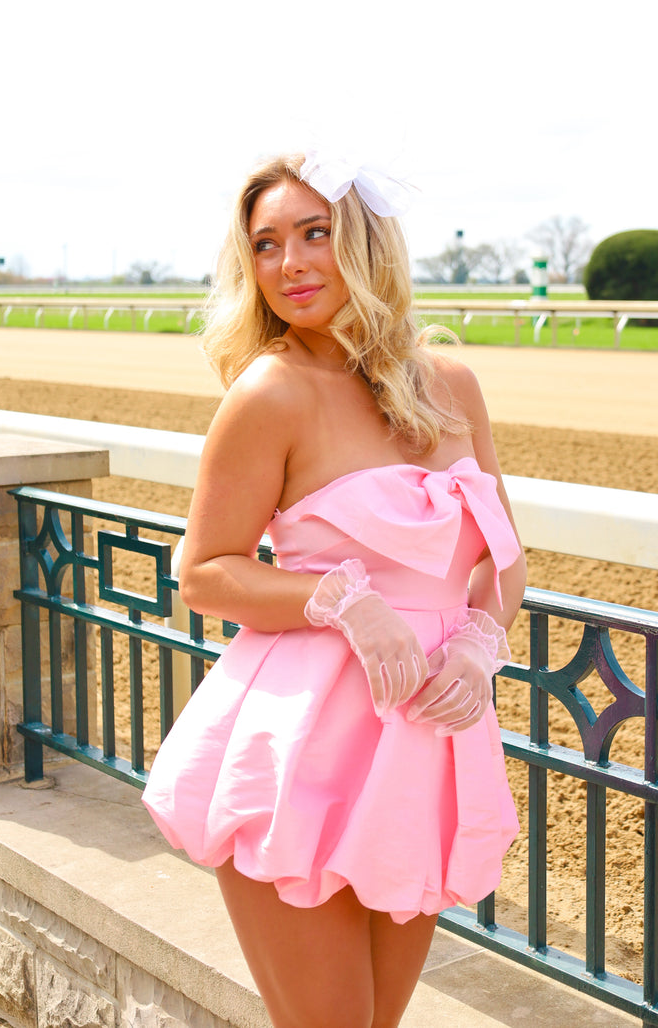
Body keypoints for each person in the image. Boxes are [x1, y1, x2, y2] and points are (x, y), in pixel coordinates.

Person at [142, 151, 527, 1028]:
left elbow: (502, 558)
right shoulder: (269, 394)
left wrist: (478, 639)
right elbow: (203, 571)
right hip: (302, 743)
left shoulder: (453, 386)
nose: (291, 264)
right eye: (267, 245)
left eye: (315, 234)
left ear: (366, 242)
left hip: (422, 746)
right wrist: (346, 603)